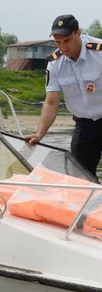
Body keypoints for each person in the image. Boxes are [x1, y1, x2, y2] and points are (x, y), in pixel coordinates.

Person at [25, 14, 102, 180]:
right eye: (58, 42)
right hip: (85, 125)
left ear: (78, 33)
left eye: (66, 41)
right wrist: (39, 134)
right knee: (80, 178)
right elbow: (51, 103)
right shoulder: (55, 62)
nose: (63, 47)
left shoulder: (99, 52)